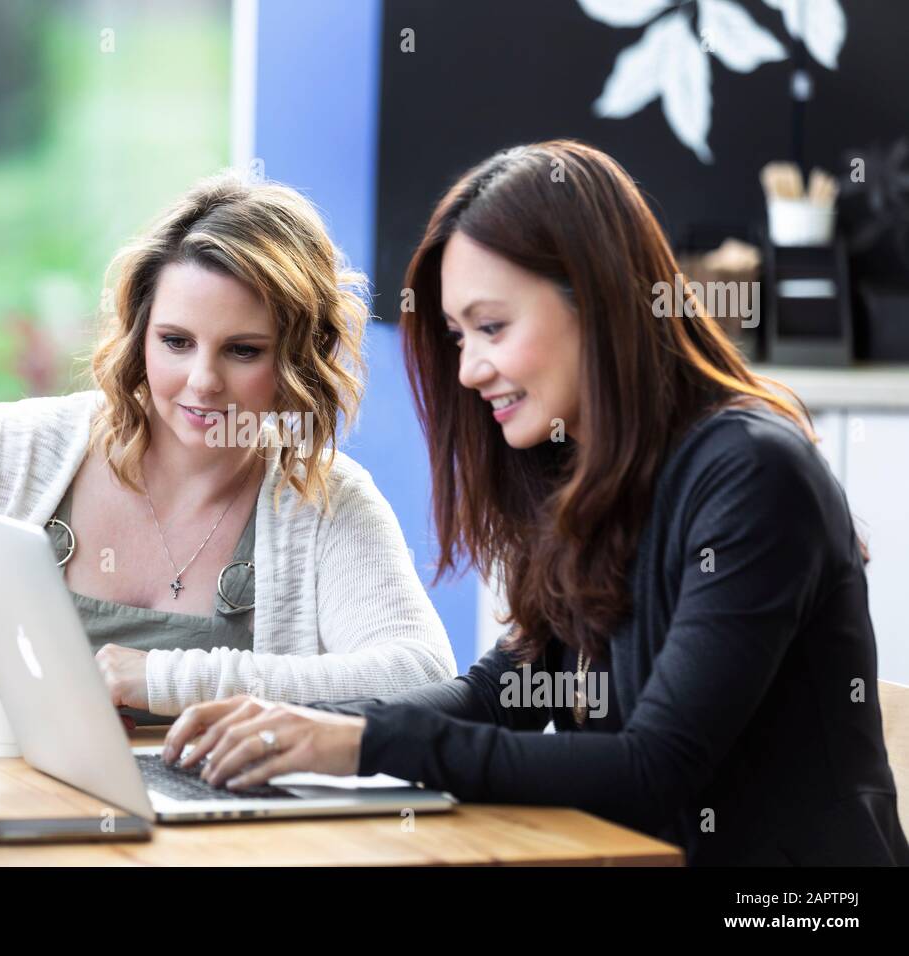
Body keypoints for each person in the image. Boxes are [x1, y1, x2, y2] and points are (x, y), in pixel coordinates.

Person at [160, 141, 909, 866]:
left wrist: (359, 745)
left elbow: (653, 770)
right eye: (457, 337)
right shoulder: (581, 468)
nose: (469, 370)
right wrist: (305, 729)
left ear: (601, 299)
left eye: (492, 327)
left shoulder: (751, 473)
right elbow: (501, 695)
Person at [0, 172, 456, 729]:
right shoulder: (9, 451)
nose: (202, 380)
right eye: (175, 341)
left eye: (243, 350)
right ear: (139, 333)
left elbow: (420, 675)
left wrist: (163, 679)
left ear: (296, 360)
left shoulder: (326, 503)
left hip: (223, 842)